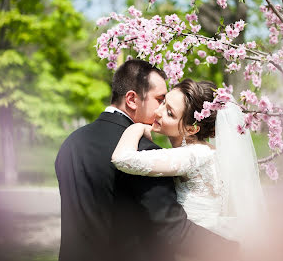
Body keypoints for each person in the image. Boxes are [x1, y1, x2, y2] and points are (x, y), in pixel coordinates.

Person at [55, 60, 240, 261]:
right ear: (132, 99)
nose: (160, 110)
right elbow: (173, 229)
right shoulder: (145, 151)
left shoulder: (71, 143)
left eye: (167, 107)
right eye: (160, 100)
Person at [112, 78, 266, 251]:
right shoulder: (207, 151)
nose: (158, 111)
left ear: (191, 129)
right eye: (163, 102)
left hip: (197, 247)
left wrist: (136, 128)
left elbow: (122, 159)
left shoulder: (193, 155)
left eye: (170, 113)